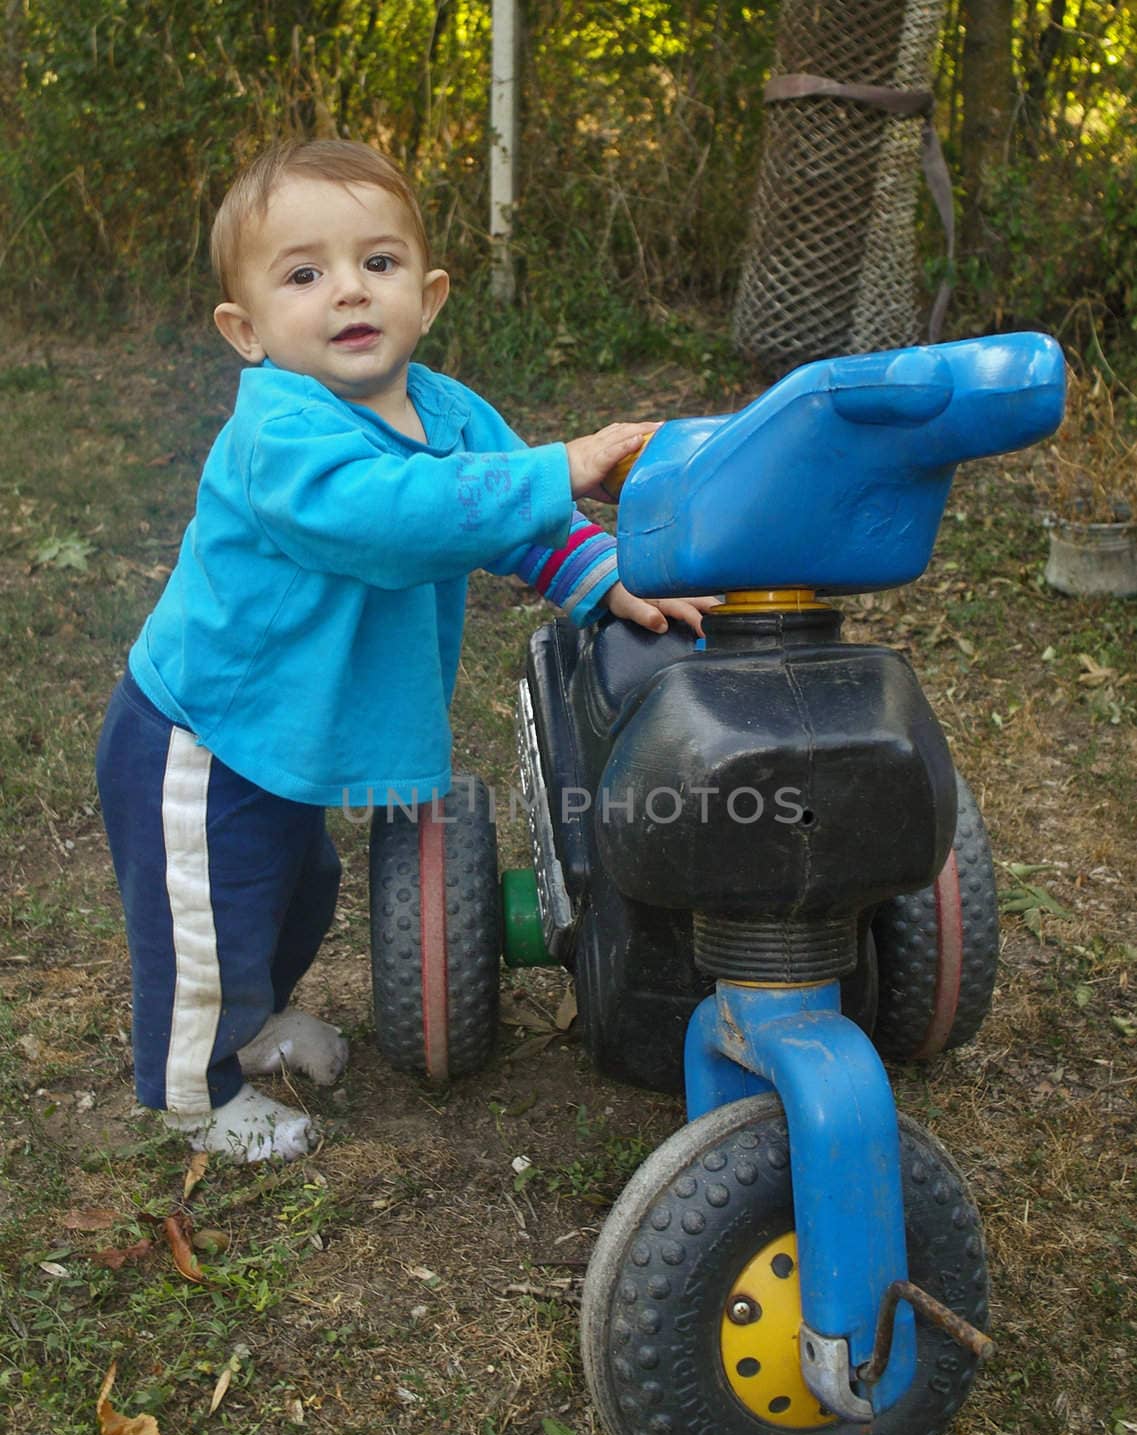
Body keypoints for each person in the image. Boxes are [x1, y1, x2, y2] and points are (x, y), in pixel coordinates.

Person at [96, 138, 715, 1163]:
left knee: (297, 895)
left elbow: (514, 515)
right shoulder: (281, 433)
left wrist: (606, 575)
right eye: (304, 274)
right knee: (208, 919)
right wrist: (563, 464)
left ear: (426, 297)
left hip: (288, 734)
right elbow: (389, 515)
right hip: (201, 734)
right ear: (244, 330)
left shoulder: (450, 413)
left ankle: (249, 1031)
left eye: (377, 264)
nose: (347, 291)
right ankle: (195, 1094)